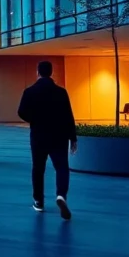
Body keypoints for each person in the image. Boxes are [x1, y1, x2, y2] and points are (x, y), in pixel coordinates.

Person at [18, 60, 77, 220]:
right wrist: (73, 137)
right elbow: (68, 115)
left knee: (38, 168)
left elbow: (21, 112)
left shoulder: (30, 91)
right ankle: (61, 195)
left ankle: (39, 201)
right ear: (51, 73)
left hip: (38, 136)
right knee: (62, 167)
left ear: (37, 72)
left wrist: (35, 119)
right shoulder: (61, 92)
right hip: (59, 136)